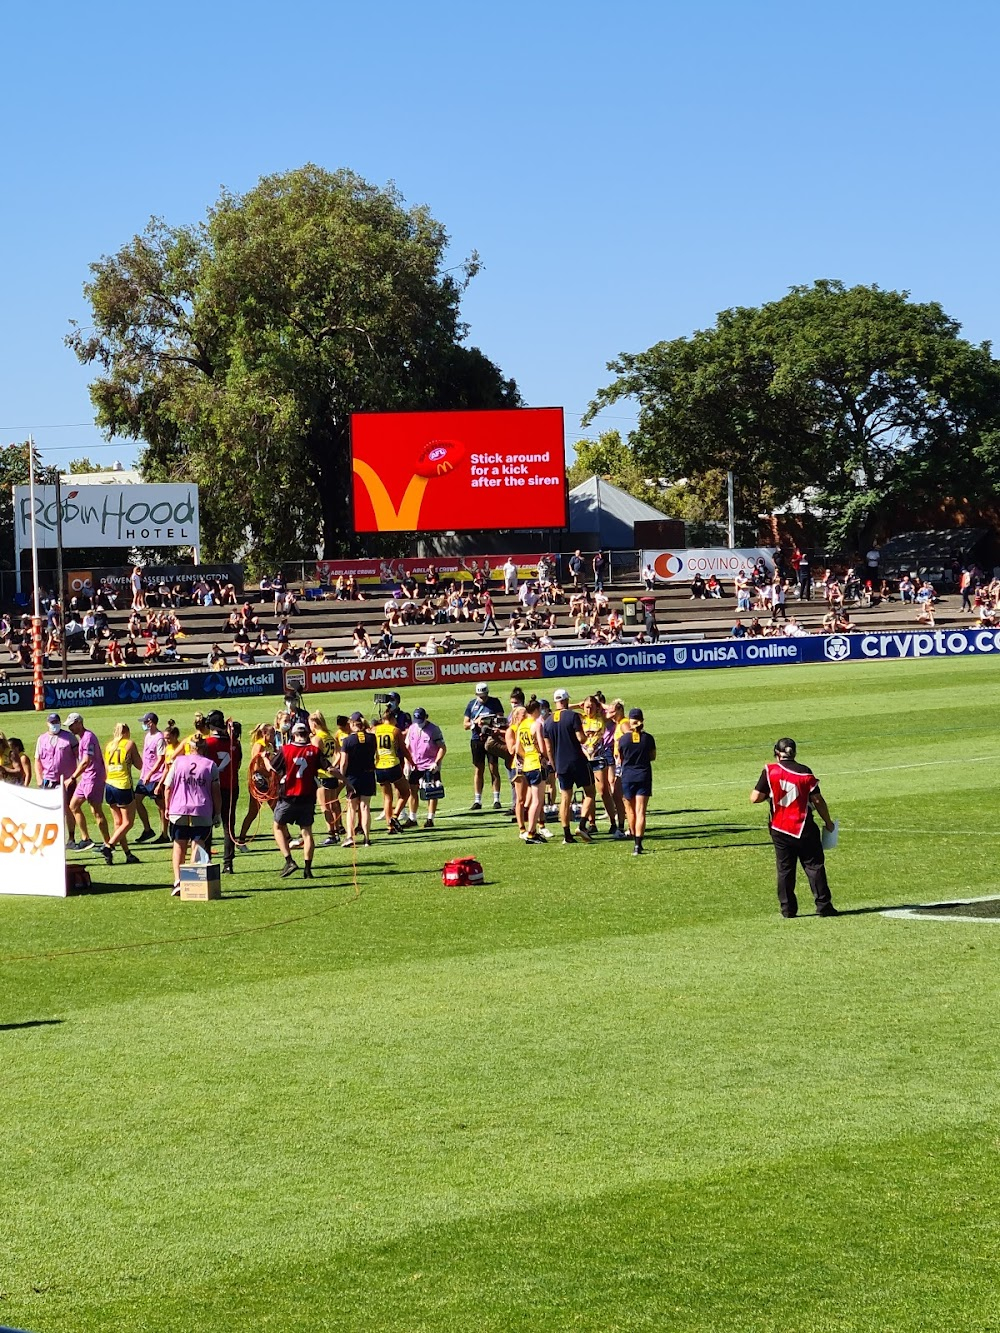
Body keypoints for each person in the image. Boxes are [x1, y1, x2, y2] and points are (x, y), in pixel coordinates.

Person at [750, 737, 838, 918]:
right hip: (804, 826)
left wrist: (771, 796)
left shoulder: (770, 770)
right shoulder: (805, 772)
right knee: (814, 866)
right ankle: (824, 906)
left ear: (776, 753)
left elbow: (755, 798)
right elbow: (818, 800)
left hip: (779, 828)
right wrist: (828, 822)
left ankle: (788, 909)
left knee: (785, 870)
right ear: (795, 753)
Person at [165, 735, 222, 895]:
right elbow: (216, 792)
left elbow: (167, 787)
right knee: (197, 845)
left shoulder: (178, 762)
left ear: (189, 747)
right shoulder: (211, 765)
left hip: (179, 808)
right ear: (204, 748)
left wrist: (168, 807)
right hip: (201, 809)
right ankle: (191, 882)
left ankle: (178, 881)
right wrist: (217, 813)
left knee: (178, 845)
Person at [264, 719, 320, 878]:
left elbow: (273, 769)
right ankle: (308, 869)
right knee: (307, 832)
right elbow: (329, 768)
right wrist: (346, 783)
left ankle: (289, 861)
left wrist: (265, 758)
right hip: (308, 797)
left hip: (288, 797)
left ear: (294, 735)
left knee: (277, 826)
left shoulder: (286, 749)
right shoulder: (314, 750)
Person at [541, 687, 596, 844]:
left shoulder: (548, 722)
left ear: (556, 702)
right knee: (590, 793)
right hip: (578, 760)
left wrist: (554, 766)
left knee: (565, 798)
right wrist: (587, 736)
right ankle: (582, 825)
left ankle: (567, 834)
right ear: (566, 700)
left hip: (561, 764)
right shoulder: (572, 716)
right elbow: (581, 739)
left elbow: (549, 748)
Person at [65, 712, 110, 853]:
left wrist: (72, 777)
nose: (70, 728)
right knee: (73, 805)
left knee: (96, 811)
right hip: (86, 778)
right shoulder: (83, 738)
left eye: (72, 725)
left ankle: (108, 843)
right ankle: (86, 839)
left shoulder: (88, 737)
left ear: (79, 722)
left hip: (93, 778)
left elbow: (86, 761)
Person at [100, 723, 143, 865]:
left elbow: (106, 767)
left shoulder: (109, 745)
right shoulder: (129, 744)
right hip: (123, 785)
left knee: (118, 823)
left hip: (109, 784)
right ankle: (109, 846)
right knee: (127, 822)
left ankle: (128, 854)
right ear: (126, 732)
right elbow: (139, 765)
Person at [202, 710, 238, 874]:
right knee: (228, 826)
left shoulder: (207, 744)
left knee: (207, 825)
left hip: (211, 789)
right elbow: (236, 765)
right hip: (231, 787)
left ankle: (207, 859)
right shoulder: (235, 743)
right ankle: (228, 863)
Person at [615, 708, 656, 855]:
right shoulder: (648, 738)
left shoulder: (623, 739)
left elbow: (620, 757)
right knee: (641, 811)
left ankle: (633, 838)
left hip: (627, 777)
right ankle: (638, 844)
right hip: (643, 775)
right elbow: (653, 757)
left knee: (630, 811)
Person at [463, 682, 505, 811]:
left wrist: (491, 721)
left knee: (494, 769)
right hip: (477, 740)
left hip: (492, 740)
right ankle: (477, 800)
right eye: (480, 696)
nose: (483, 698)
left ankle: (496, 799)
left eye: (484, 695)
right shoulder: (472, 705)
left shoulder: (494, 702)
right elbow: (465, 724)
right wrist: (475, 723)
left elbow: (501, 719)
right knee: (478, 769)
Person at [236, 723, 280, 846]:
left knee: (276, 809)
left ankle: (286, 837)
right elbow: (255, 766)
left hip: (268, 782)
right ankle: (241, 840)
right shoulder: (259, 745)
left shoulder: (269, 745)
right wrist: (269, 773)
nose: (273, 736)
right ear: (265, 734)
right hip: (259, 782)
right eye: (271, 734)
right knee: (253, 812)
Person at [338, 712, 377, 848]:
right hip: (368, 775)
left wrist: (341, 778)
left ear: (353, 724)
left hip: (352, 777)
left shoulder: (347, 741)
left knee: (351, 808)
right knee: (365, 806)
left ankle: (350, 836)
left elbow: (343, 763)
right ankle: (367, 838)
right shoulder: (372, 738)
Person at [404, 706, 446, 829]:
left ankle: (430, 819)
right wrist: (407, 763)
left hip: (430, 765)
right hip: (415, 765)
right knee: (412, 790)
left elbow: (442, 748)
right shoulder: (412, 728)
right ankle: (412, 818)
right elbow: (407, 747)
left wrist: (436, 762)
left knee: (431, 791)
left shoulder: (434, 729)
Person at [373, 706, 412, 833]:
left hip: (379, 766)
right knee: (406, 792)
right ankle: (394, 817)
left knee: (387, 797)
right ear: (392, 718)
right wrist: (411, 761)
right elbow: (403, 749)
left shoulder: (375, 730)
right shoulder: (395, 730)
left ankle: (389, 826)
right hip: (392, 765)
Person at [308, 711, 343, 846]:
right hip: (331, 774)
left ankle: (331, 833)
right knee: (334, 804)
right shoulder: (329, 736)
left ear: (314, 724)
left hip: (322, 775)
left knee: (324, 806)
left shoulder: (317, 739)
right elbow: (338, 752)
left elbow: (313, 757)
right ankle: (338, 828)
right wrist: (333, 765)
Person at [134, 712, 169, 843]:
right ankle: (147, 829)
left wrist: (150, 774)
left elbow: (161, 759)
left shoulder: (159, 738)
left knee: (161, 806)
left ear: (151, 722)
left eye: (144, 722)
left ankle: (165, 834)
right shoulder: (148, 736)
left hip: (156, 777)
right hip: (145, 776)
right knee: (136, 800)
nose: (143, 724)